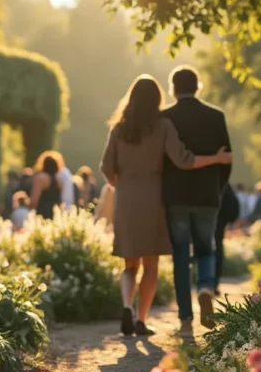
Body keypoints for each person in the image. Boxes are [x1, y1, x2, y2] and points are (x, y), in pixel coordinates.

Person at [101, 75, 232, 337]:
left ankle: (127, 306)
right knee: (151, 264)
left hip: (126, 198)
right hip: (154, 198)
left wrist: (121, 185)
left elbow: (106, 168)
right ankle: (141, 320)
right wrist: (216, 158)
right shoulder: (162, 126)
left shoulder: (118, 129)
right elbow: (184, 160)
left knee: (129, 264)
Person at [161, 66, 233, 332]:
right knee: (206, 248)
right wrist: (218, 187)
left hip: (175, 196)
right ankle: (205, 286)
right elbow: (227, 159)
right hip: (207, 195)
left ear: (172, 88)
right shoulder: (216, 116)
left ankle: (184, 314)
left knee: (180, 253)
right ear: (198, 86)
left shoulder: (164, 117)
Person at [215, 183, 241, 294]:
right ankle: (210, 284)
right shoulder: (220, 179)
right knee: (215, 251)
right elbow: (233, 206)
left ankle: (201, 284)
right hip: (217, 222)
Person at [30, 152, 63, 220]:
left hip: (42, 215)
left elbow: (34, 200)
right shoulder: (59, 180)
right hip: (55, 215)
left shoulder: (40, 178)